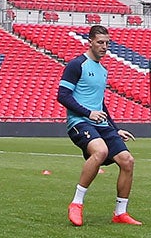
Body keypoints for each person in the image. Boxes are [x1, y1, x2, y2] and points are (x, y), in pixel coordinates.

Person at [57, 24, 139, 226]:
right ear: (90, 42)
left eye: (107, 43)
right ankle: (76, 204)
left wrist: (114, 128)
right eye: (100, 42)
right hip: (79, 122)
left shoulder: (103, 71)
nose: (104, 47)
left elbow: (100, 103)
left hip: (100, 124)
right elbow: (62, 95)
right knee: (100, 151)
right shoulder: (77, 65)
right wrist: (87, 113)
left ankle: (120, 213)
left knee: (127, 161)